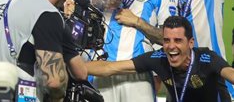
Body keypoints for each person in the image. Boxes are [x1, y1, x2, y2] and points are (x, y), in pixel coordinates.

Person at [85, 16, 234, 101]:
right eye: (166, 40)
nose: (171, 46)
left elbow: (231, 74)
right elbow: (110, 68)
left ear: (190, 43)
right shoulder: (159, 58)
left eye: (178, 40)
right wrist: (72, 64)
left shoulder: (207, 59)